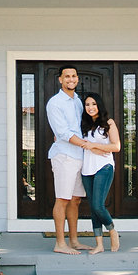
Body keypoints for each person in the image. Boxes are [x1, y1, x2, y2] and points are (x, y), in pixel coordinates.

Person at [45, 65, 91, 254]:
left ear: (77, 79)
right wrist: (85, 144)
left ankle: (74, 241)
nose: (70, 79)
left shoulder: (78, 101)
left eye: (73, 76)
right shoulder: (55, 103)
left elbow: (80, 126)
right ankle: (60, 244)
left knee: (75, 200)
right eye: (67, 76)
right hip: (64, 156)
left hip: (79, 156)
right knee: (63, 199)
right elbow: (63, 132)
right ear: (60, 80)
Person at [80, 92, 121, 253]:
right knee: (93, 208)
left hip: (104, 167)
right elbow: (78, 141)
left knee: (98, 205)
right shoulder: (84, 124)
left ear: (99, 105)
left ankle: (112, 230)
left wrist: (95, 146)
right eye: (87, 105)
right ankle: (99, 245)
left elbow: (116, 146)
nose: (90, 107)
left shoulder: (108, 122)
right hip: (87, 168)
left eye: (93, 104)